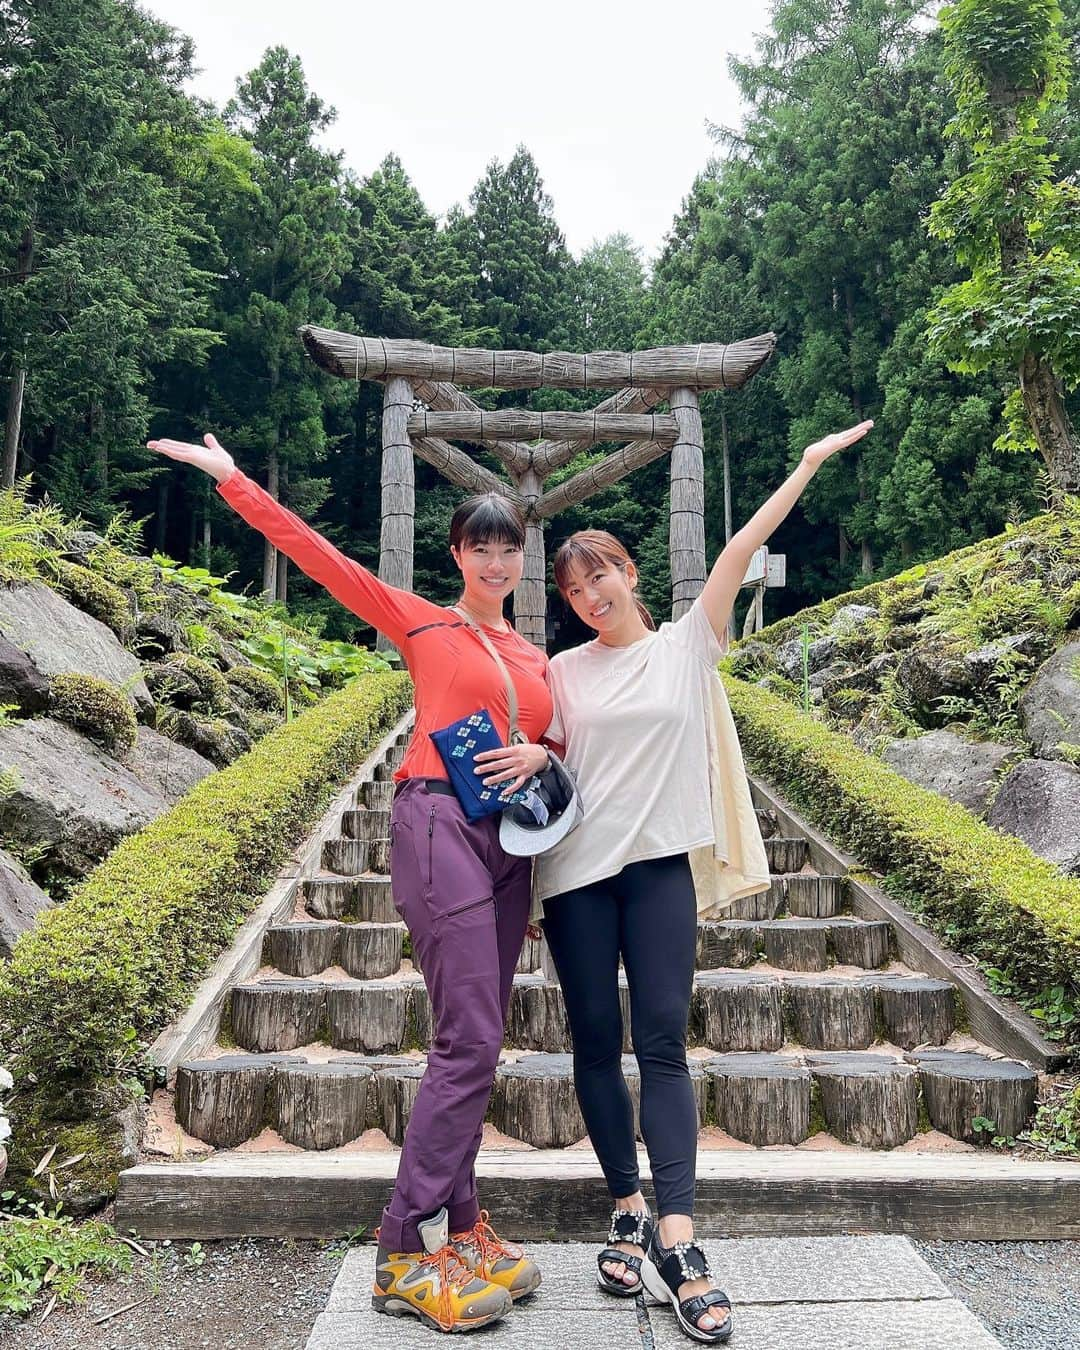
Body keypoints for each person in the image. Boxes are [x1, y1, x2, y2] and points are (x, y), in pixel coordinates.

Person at [147, 433, 552, 1335]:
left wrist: (545, 753)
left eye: (508, 545)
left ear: (522, 558)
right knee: (471, 1034)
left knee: (477, 1039)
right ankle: (403, 1250)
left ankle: (467, 1226)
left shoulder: (536, 659)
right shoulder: (422, 619)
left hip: (511, 846)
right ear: (457, 555)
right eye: (478, 544)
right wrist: (237, 484)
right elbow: (319, 558)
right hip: (436, 818)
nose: (495, 558)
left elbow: (558, 753)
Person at [501, 420, 874, 1345]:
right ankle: (623, 1205)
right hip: (577, 877)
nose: (590, 596)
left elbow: (742, 547)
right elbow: (545, 763)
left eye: (602, 577)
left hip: (659, 869)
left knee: (662, 1047)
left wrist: (806, 466)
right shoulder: (558, 670)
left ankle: (678, 1241)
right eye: (575, 587)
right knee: (593, 1045)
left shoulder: (685, 644)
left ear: (629, 572)